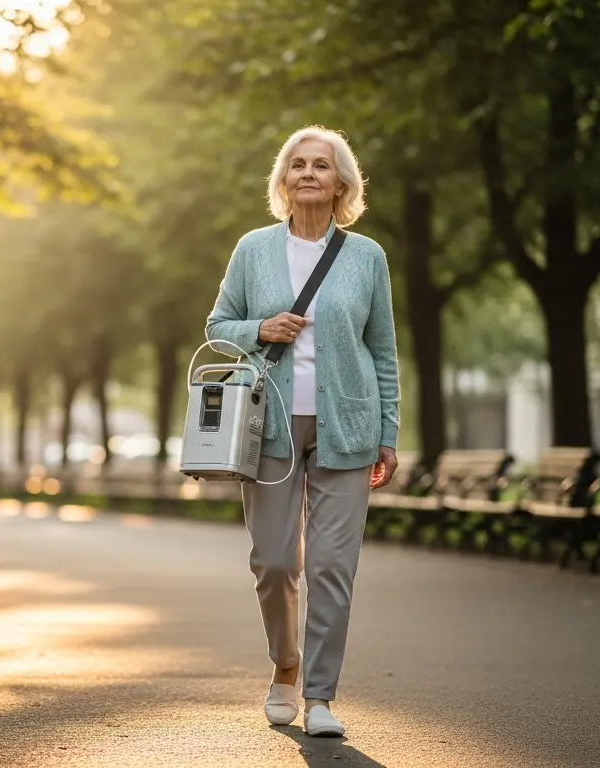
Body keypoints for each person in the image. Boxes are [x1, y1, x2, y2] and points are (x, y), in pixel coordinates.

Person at [205, 125, 400, 737]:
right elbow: (217, 325)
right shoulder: (252, 250)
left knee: (331, 566)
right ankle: (284, 665)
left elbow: (384, 352)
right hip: (270, 425)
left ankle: (319, 695)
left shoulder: (367, 257)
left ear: (342, 182)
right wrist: (261, 327)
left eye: (322, 164)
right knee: (272, 561)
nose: (309, 172)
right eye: (297, 164)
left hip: (350, 425)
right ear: (283, 180)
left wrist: (388, 431)